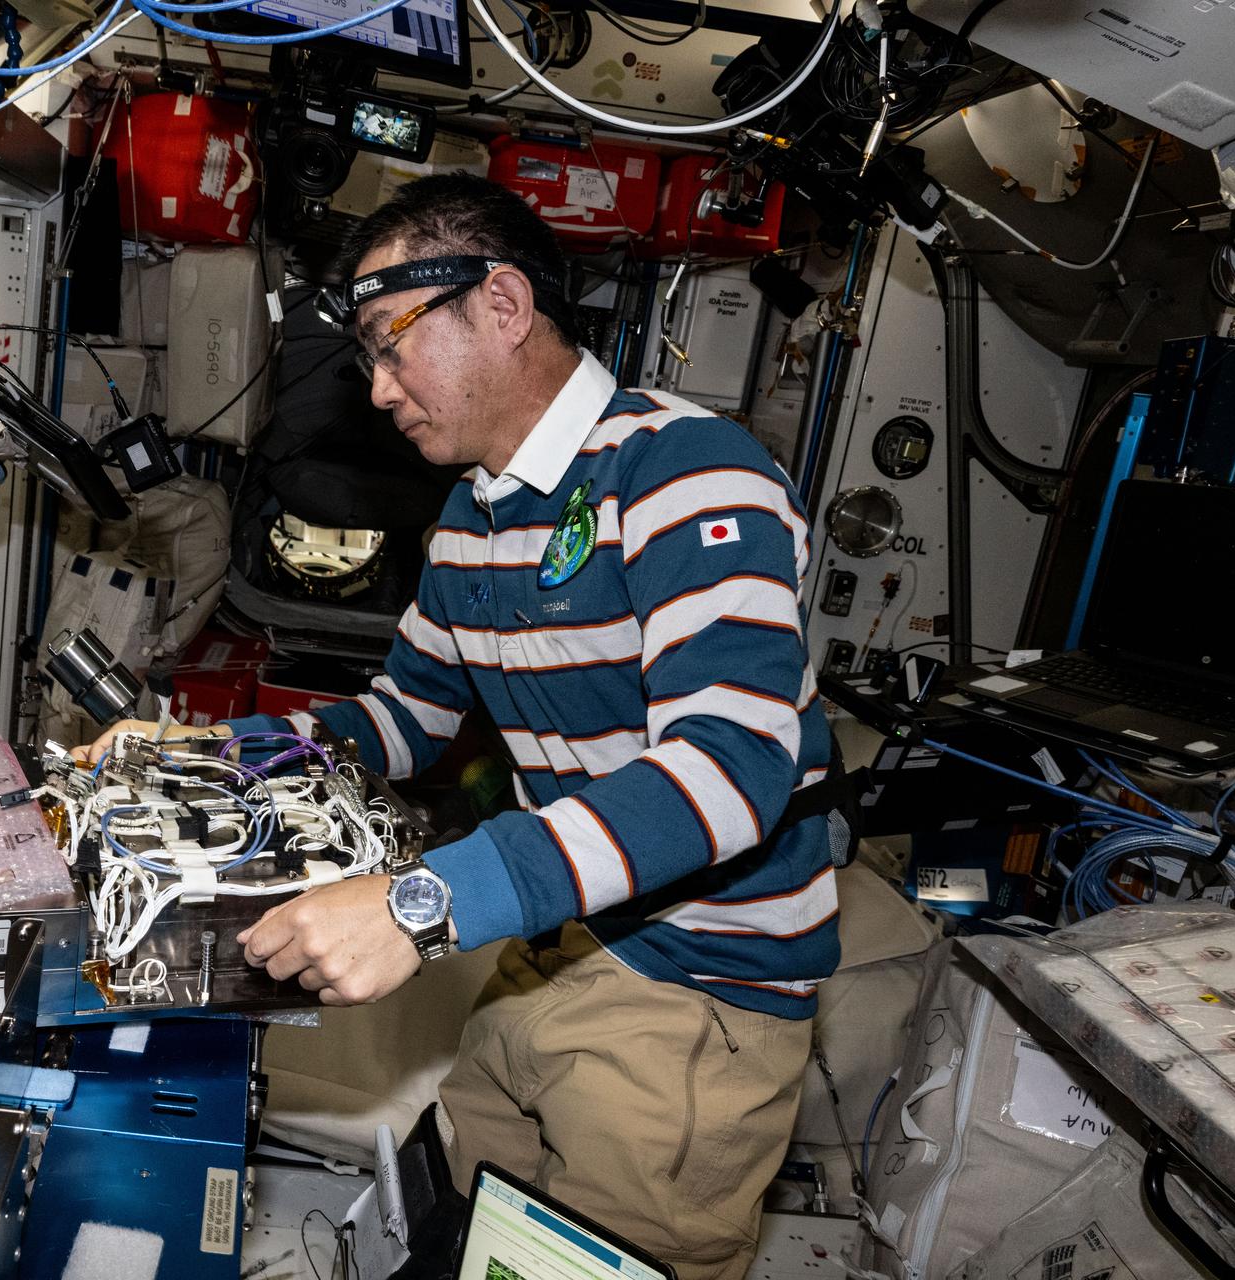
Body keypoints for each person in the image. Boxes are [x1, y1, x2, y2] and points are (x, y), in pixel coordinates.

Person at [78, 173, 837, 1280]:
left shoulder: (682, 469)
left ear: (504, 305)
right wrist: (200, 753)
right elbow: (402, 719)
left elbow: (729, 774)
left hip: (695, 996)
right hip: (563, 943)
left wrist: (420, 902)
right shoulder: (472, 523)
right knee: (457, 1214)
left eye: (392, 343)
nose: (379, 389)